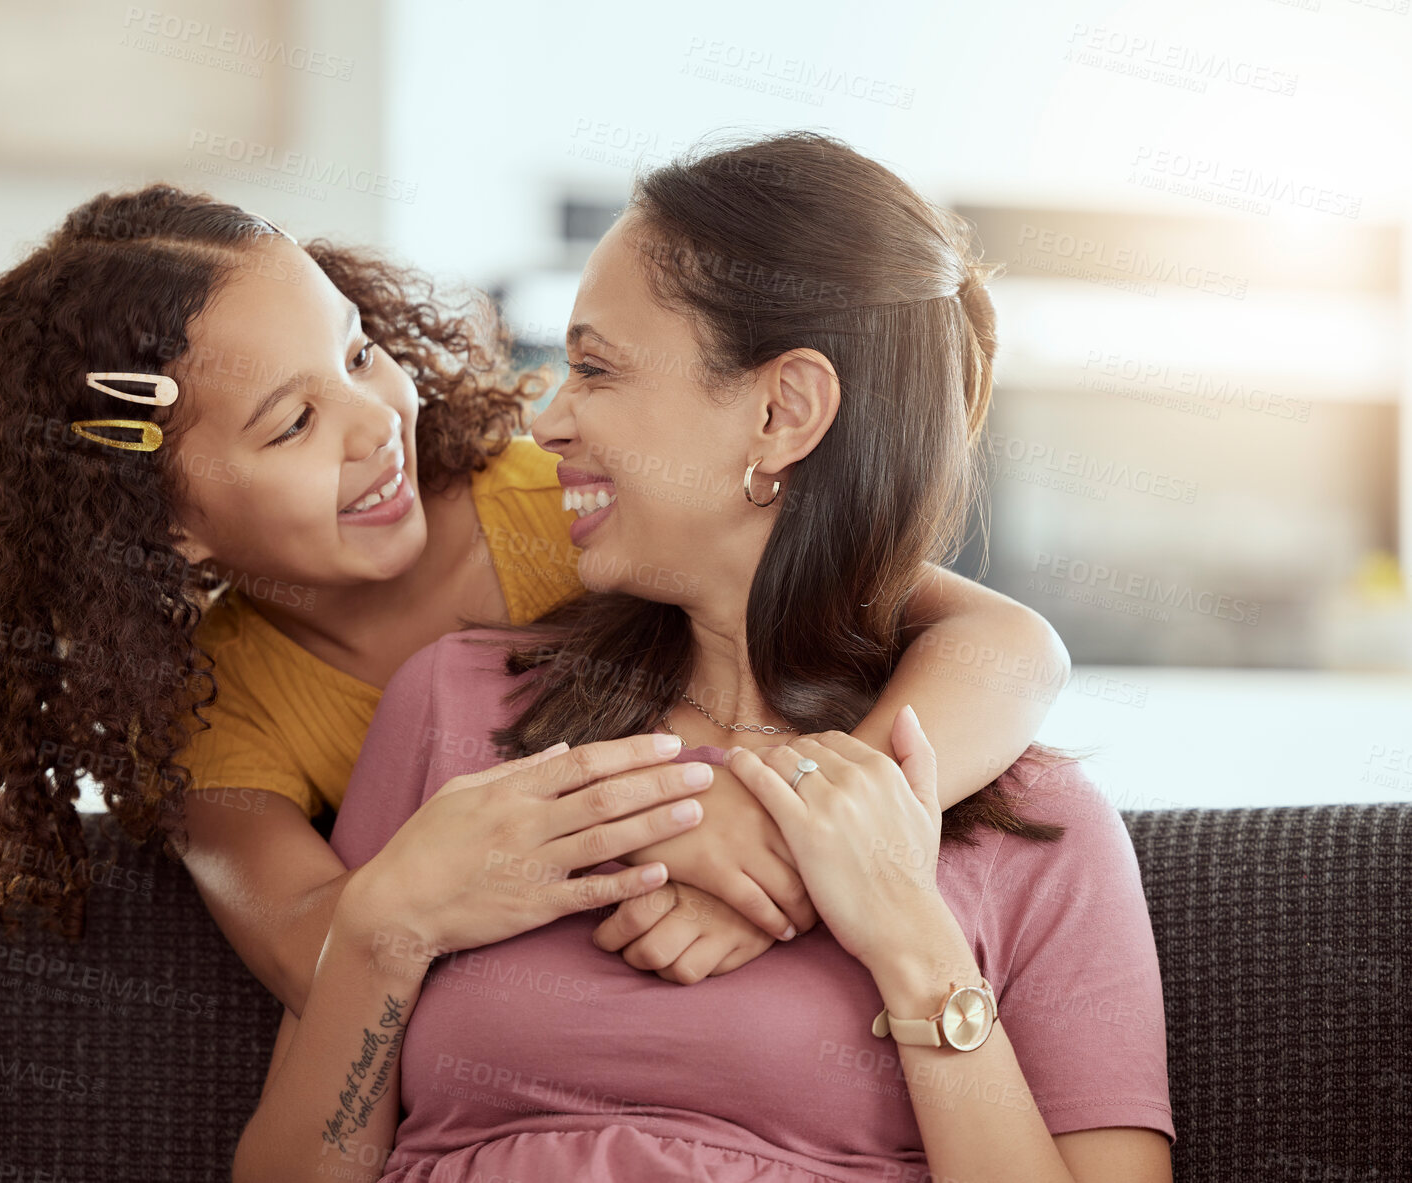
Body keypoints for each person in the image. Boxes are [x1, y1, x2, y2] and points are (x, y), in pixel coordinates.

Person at [0, 178, 1072, 1034]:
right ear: (163, 525)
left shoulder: (563, 499)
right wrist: (635, 840)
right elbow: (318, 955)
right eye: (293, 423)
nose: (373, 425)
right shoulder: (217, 712)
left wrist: (784, 846)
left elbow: (1007, 644)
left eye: (357, 355)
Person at [232, 132, 1173, 1182]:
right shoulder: (457, 703)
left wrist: (911, 943)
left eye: (593, 368)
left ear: (782, 412)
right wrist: (385, 922)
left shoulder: (1030, 821)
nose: (546, 420)